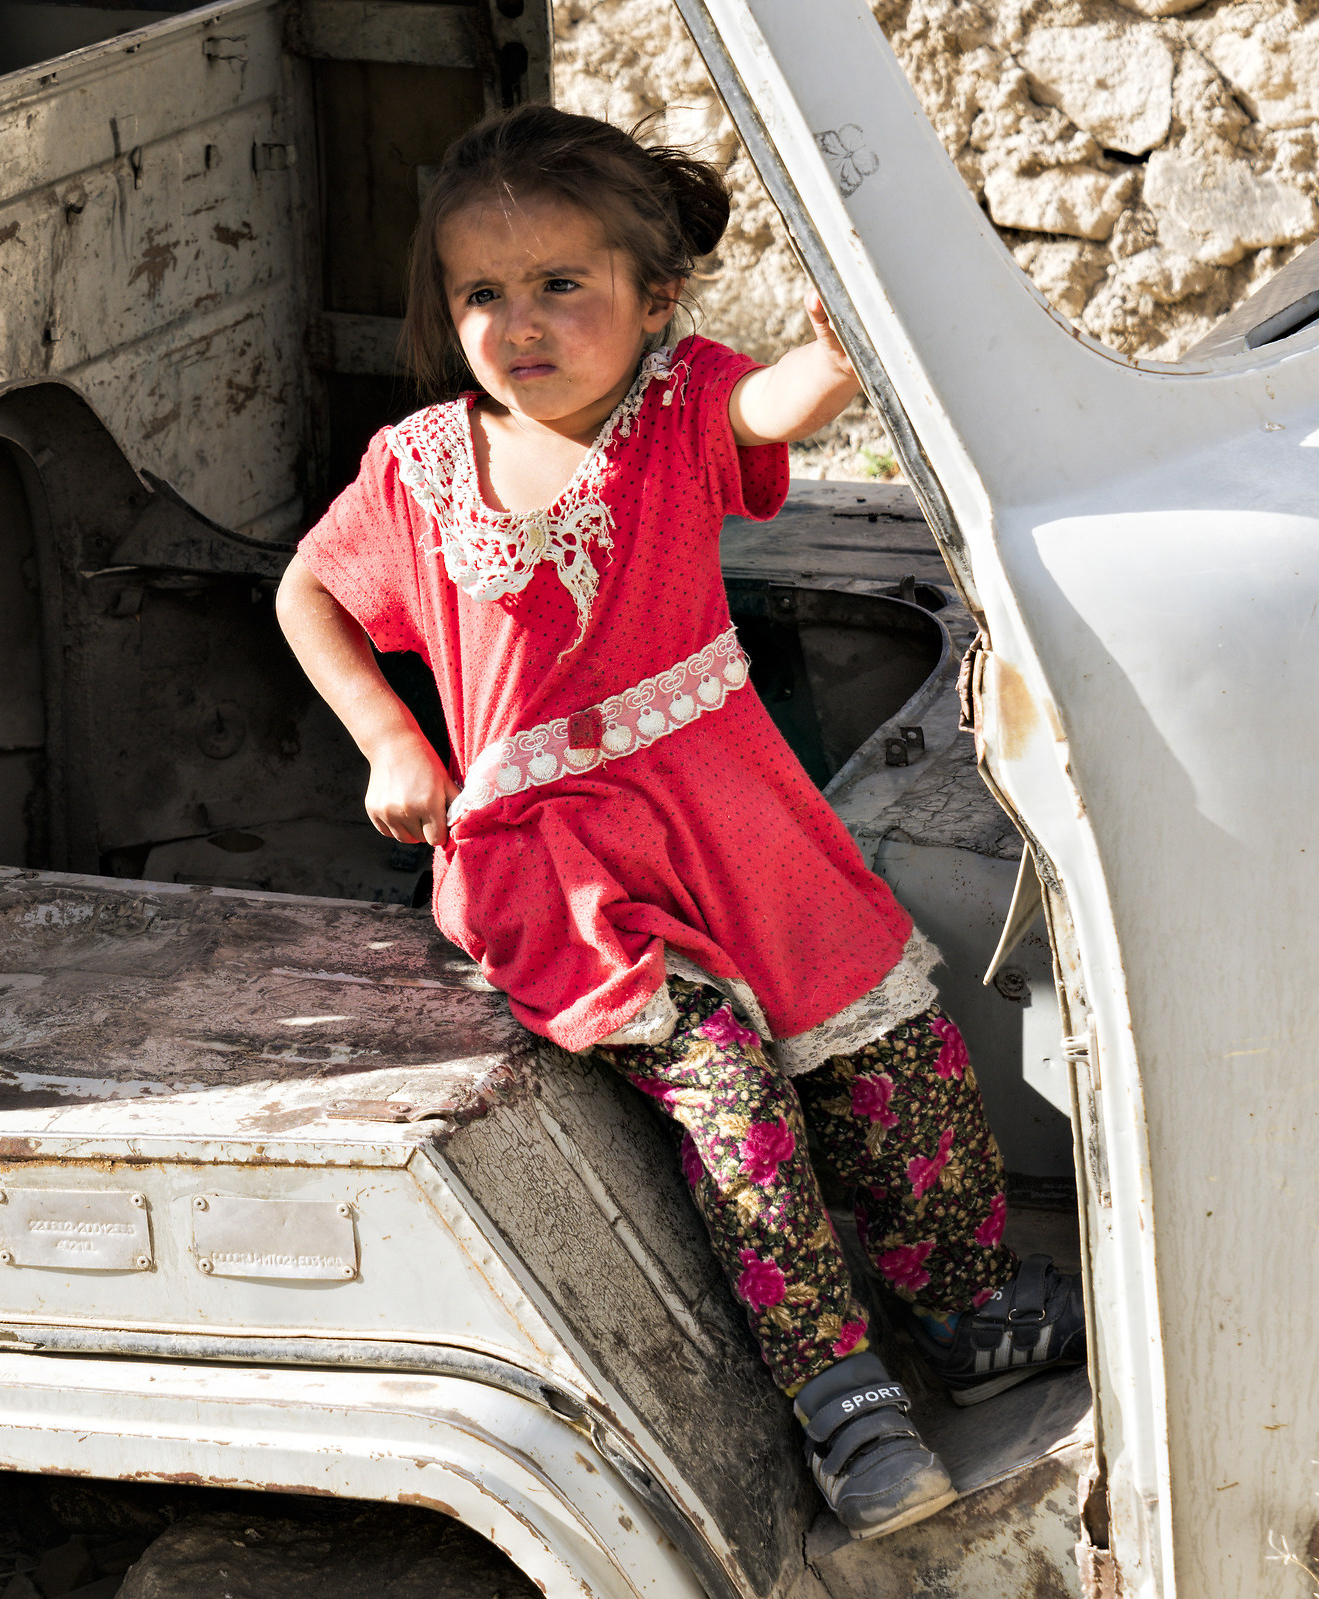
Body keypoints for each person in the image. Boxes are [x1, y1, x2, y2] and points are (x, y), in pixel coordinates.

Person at [276, 104, 1087, 1542]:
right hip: (552, 849)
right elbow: (311, 592)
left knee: (892, 1055)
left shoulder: (675, 412)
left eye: (561, 285)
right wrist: (392, 738)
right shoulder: (416, 470)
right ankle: (847, 1403)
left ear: (656, 303)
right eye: (481, 293)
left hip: (726, 806)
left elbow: (775, 407)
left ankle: (967, 1310)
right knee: (732, 1097)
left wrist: (838, 352)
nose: (519, 323)